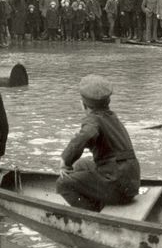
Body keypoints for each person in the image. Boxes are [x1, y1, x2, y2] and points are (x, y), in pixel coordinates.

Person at [56, 74, 141, 212]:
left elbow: (86, 135)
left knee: (62, 184)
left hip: (118, 186)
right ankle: (96, 197)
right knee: (81, 164)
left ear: (83, 105)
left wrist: (65, 160)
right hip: (131, 183)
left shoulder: (92, 120)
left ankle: (94, 213)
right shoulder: (111, 116)